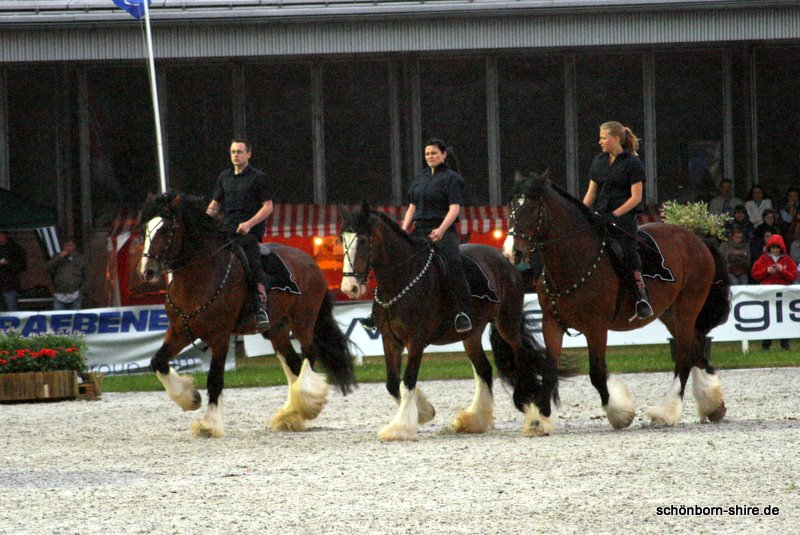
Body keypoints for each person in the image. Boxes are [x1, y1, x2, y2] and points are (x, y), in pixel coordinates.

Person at [582, 121, 653, 320]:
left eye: (603, 138)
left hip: (623, 221)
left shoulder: (633, 163)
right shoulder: (598, 161)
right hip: (599, 218)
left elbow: (636, 198)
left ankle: (641, 297)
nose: (600, 142)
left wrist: (614, 214)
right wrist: (581, 212)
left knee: (629, 253)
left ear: (616, 138)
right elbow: (591, 192)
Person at [402, 139, 473, 332]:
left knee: (454, 264)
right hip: (419, 230)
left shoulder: (453, 179)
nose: (430, 157)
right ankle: (379, 312)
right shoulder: (419, 178)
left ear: (443, 155)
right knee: (397, 261)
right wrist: (403, 229)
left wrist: (441, 230)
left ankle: (463, 312)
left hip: (443, 231)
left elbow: (454, 209)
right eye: (427, 154)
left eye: (433, 153)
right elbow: (412, 207)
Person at [206, 138, 273, 330]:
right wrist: (203, 222)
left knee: (251, 261)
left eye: (240, 152)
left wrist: (250, 224)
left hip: (248, 233)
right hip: (226, 230)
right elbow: (214, 205)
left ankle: (261, 306)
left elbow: (268, 207)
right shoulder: (224, 177)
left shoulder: (259, 178)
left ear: (249, 154)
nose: (236, 155)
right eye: (233, 152)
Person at [750, 234, 797, 350]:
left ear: (781, 248)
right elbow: (754, 274)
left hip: (783, 295)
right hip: (768, 294)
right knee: (768, 319)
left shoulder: (787, 260)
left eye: (777, 247)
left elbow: (793, 276)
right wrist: (766, 271)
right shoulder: (763, 259)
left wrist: (783, 271)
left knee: (784, 320)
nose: (775, 250)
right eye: (773, 247)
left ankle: (785, 345)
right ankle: (766, 345)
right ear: (769, 248)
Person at [45, 238, 90, 310]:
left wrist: (81, 291)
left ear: (74, 246)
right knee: (58, 317)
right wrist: (59, 257)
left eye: (70, 245)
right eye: (65, 246)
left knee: (75, 317)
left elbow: (88, 276)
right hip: (59, 294)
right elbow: (47, 268)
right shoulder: (57, 257)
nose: (67, 248)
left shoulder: (81, 259)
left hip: (76, 294)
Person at [0, 230, 27, 312]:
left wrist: (8, 264)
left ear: (6, 236)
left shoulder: (16, 248)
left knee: (12, 312)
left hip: (10, 287)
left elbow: (22, 266)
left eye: (1, 236)